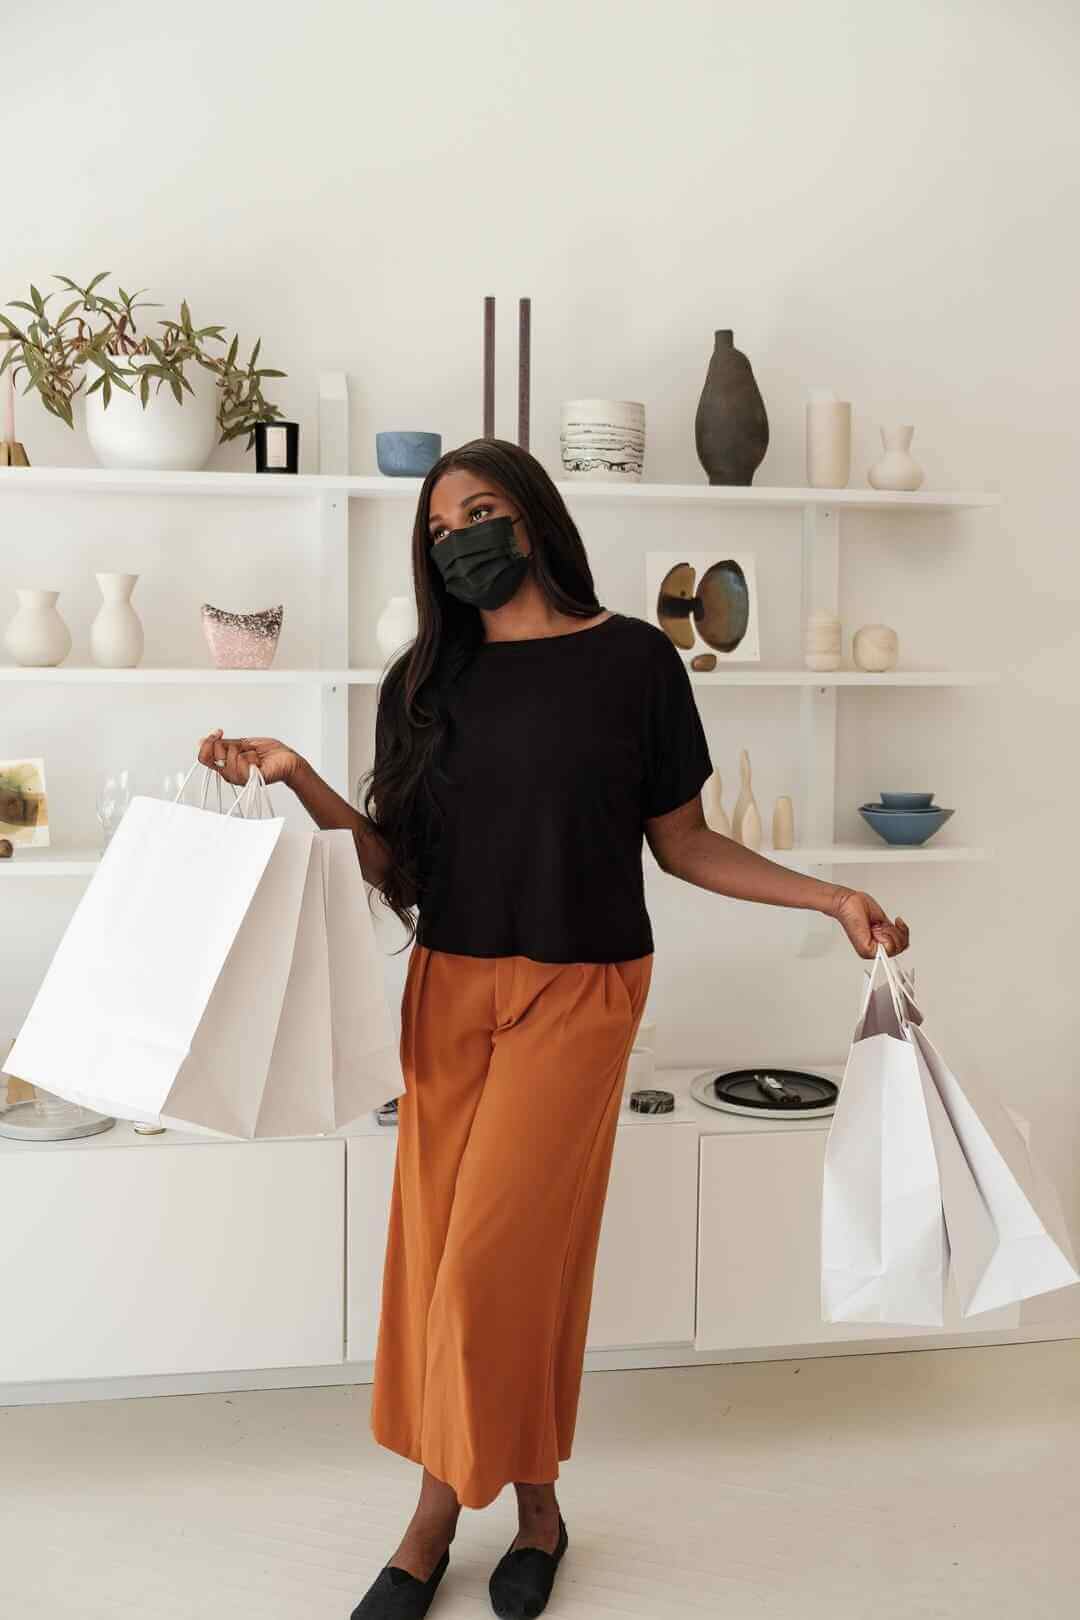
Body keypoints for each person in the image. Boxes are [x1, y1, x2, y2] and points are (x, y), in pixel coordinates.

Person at [198, 437, 909, 1620]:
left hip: (582, 991)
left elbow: (683, 843)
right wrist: (301, 779)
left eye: (479, 511)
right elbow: (399, 871)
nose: (457, 537)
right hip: (449, 985)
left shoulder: (634, 661)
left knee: (490, 1265)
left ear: (531, 518)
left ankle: (432, 1520)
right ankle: (535, 1511)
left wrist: (831, 895)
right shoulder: (422, 679)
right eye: (437, 529)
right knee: (448, 1258)